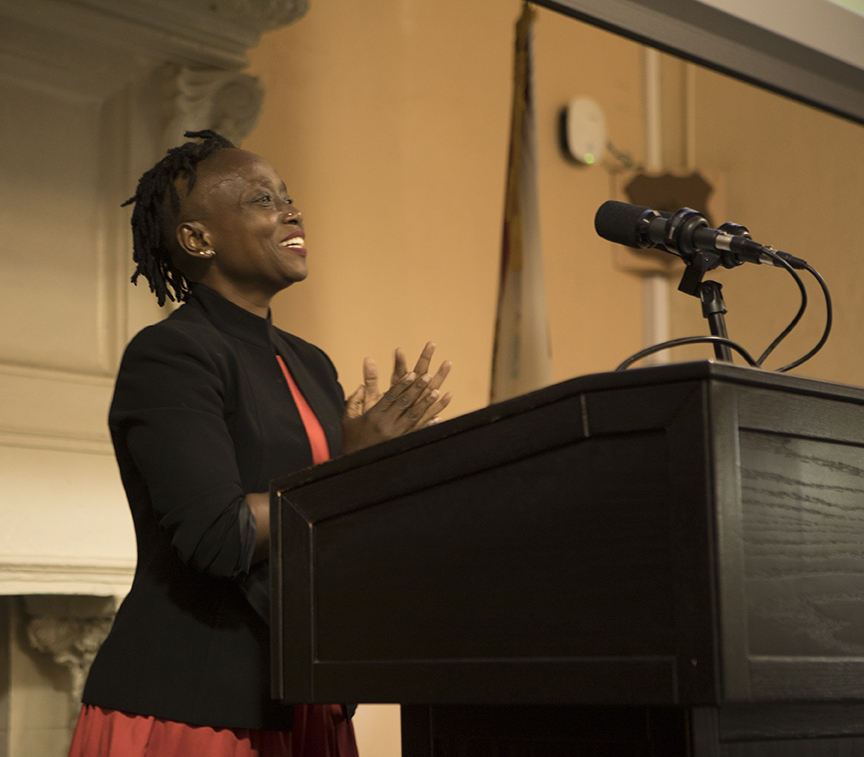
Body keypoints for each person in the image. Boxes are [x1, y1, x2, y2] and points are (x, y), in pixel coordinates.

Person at [68, 130, 452, 757]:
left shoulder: (310, 364)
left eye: (289, 197)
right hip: (197, 707)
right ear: (198, 238)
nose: (292, 211)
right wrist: (351, 469)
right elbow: (220, 536)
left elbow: (327, 527)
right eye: (262, 199)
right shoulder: (173, 354)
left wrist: (388, 468)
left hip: (305, 691)